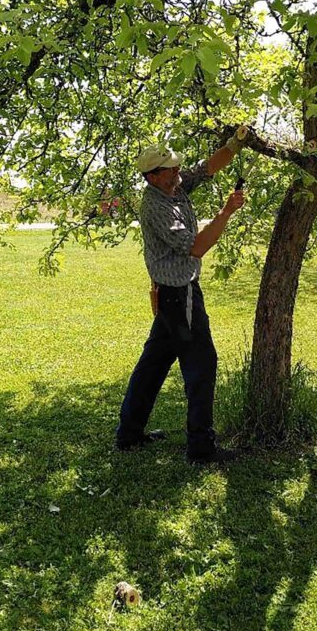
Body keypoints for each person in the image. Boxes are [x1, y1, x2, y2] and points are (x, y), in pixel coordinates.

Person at [115, 127, 248, 462]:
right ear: (152, 177)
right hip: (179, 295)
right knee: (202, 365)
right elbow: (197, 247)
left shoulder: (173, 187)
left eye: (176, 167)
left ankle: (129, 435)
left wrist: (236, 143)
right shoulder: (159, 208)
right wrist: (227, 212)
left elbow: (208, 168)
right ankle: (201, 448)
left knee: (153, 365)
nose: (178, 172)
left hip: (169, 295)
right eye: (171, 169)